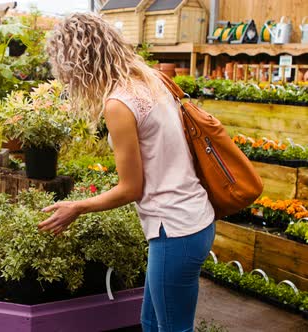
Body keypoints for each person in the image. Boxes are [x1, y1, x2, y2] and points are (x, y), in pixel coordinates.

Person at [38, 13, 215, 332]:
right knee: (149, 322)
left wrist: (77, 207)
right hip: (192, 220)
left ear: (77, 62)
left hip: (174, 229)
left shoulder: (119, 103)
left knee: (173, 329)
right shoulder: (150, 78)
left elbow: (130, 188)